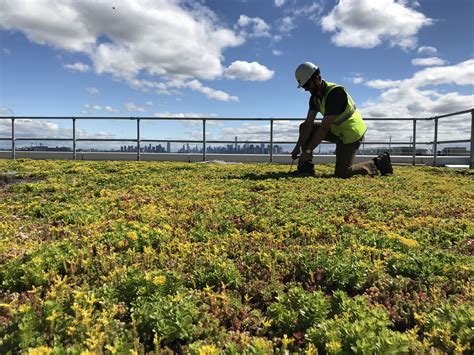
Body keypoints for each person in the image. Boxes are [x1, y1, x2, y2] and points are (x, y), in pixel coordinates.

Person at [292, 62, 393, 177]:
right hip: (337, 130)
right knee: (304, 127)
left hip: (351, 134)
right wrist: (297, 147)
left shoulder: (335, 93)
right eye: (304, 86)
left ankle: (378, 163)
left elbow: (324, 128)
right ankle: (306, 168)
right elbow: (308, 124)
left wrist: (307, 151)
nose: (306, 89)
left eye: (306, 85)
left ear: (317, 78)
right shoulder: (314, 98)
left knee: (342, 173)